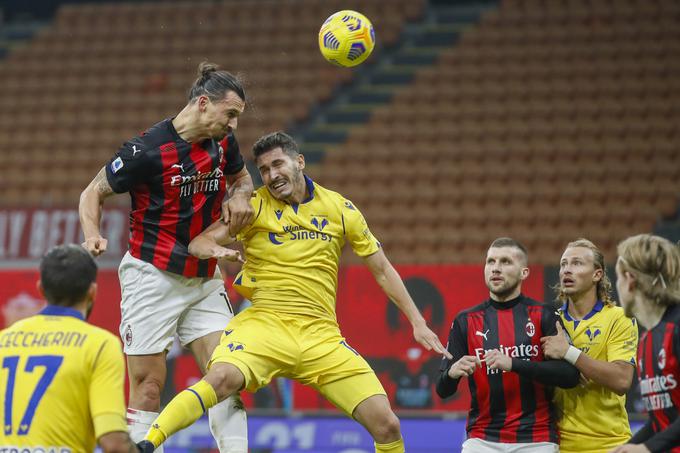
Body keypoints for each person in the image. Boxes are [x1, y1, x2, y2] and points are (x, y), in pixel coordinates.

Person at [137, 131, 451, 453]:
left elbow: (382, 269)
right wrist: (218, 252)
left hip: (321, 338)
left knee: (387, 425)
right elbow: (199, 243)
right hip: (265, 327)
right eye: (264, 170)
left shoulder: (340, 209)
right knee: (220, 380)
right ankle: (148, 443)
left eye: (278, 165)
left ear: (299, 161)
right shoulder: (253, 206)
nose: (272, 176)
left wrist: (417, 322)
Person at [78, 62, 254, 452]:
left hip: (205, 278)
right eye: (231, 115)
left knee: (227, 376)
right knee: (148, 385)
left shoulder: (224, 143)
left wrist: (241, 194)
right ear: (203, 104)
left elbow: (241, 177)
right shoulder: (146, 151)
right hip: (152, 277)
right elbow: (92, 192)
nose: (234, 125)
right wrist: (93, 235)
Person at [436, 237, 580, 453]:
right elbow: (442, 390)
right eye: (490, 262)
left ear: (524, 272)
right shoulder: (465, 320)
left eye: (505, 262)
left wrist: (514, 364)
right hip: (482, 439)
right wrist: (452, 374)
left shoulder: (544, 315)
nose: (495, 268)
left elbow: (570, 376)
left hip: (536, 438)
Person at [0, 244, 136, 452]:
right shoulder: (100, 345)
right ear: (92, 292)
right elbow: (114, 444)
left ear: (41, 289)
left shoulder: (3, 340)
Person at [541, 238, 638, 453]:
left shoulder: (619, 318)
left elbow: (622, 380)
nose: (567, 270)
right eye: (563, 264)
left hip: (610, 444)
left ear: (597, 274)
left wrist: (569, 353)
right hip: (558, 445)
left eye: (576, 263)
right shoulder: (549, 321)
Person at [610, 234, 680, 453]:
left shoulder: (676, 329)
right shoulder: (647, 339)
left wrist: (647, 448)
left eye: (618, 277)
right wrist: (628, 447)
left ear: (629, 280)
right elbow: (663, 420)